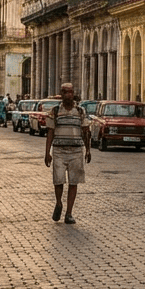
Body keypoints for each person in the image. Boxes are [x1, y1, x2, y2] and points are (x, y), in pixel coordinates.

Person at [43, 83, 91, 224]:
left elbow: (86, 132)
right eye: (65, 92)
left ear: (73, 93)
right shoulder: (55, 111)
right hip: (59, 151)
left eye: (70, 92)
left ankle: (69, 213)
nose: (68, 95)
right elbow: (50, 132)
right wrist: (47, 153)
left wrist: (88, 150)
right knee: (58, 180)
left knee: (74, 181)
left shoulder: (81, 111)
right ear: (61, 94)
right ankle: (59, 203)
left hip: (76, 151)